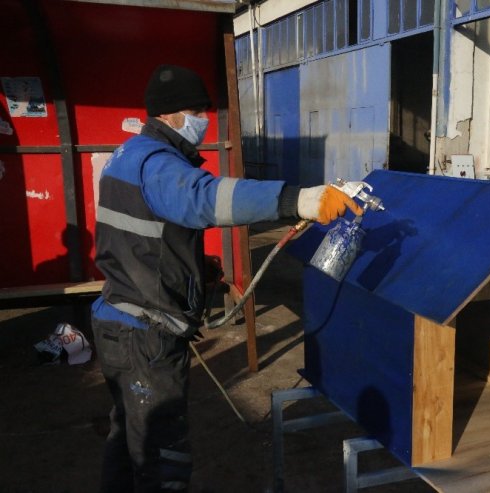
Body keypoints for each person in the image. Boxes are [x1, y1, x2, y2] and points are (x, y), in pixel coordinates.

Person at [91, 64, 362, 493]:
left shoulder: (127, 155)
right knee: (163, 459)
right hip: (144, 335)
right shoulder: (159, 164)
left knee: (128, 441)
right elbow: (204, 198)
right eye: (198, 109)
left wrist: (193, 271)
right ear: (170, 114)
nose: (205, 118)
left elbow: (145, 234)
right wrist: (300, 199)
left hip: (120, 320)